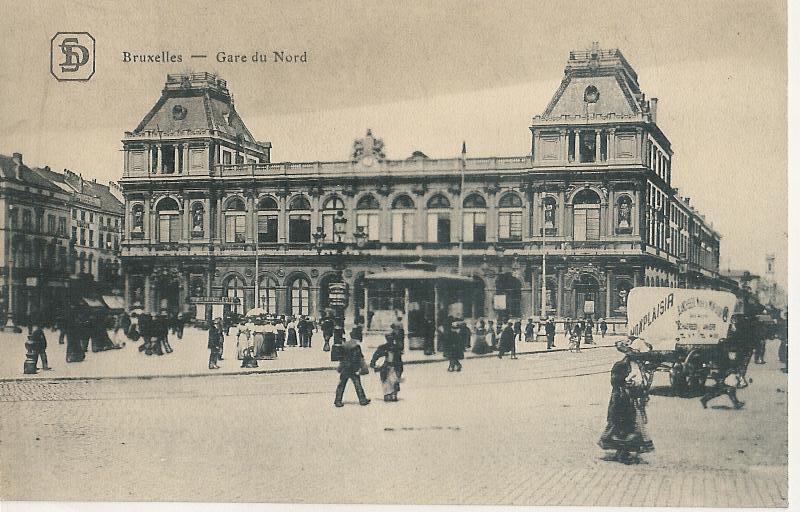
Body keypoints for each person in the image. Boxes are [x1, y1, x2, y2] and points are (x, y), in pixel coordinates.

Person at [598, 341, 654, 464]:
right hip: (622, 399)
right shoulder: (621, 365)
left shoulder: (636, 366)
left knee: (628, 425)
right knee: (623, 425)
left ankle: (623, 451)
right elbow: (615, 381)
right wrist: (627, 385)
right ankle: (623, 452)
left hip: (629, 399)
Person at [334, 337, 370, 407]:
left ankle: (337, 400)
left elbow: (341, 357)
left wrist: (340, 367)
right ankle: (362, 400)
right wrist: (360, 368)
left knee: (341, 385)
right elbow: (358, 358)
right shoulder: (356, 347)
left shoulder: (345, 345)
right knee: (357, 385)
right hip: (353, 368)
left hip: (345, 367)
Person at [370, 333, 404, 402]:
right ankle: (388, 395)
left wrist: (373, 363)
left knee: (392, 381)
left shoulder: (394, 348)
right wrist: (373, 363)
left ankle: (391, 394)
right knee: (387, 381)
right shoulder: (390, 348)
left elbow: (376, 356)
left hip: (393, 366)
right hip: (387, 366)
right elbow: (376, 356)